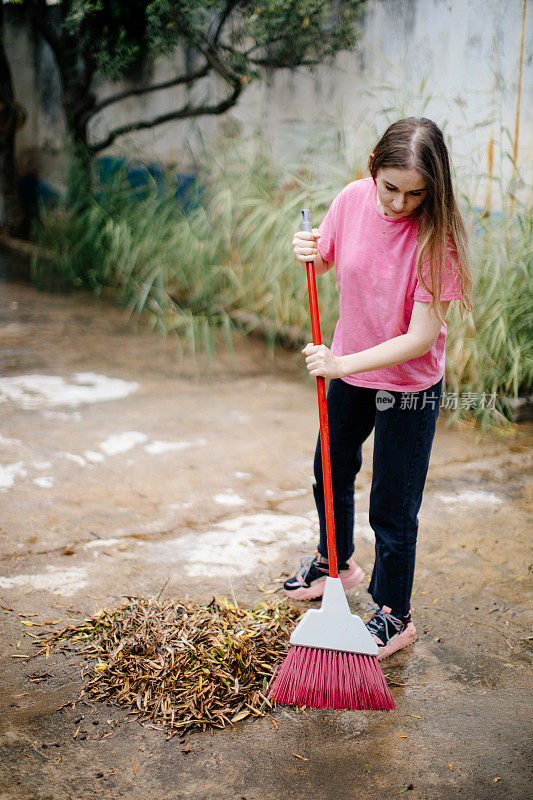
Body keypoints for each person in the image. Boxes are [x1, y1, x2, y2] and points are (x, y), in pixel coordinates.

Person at [283, 117, 473, 660]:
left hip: (406, 386)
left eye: (416, 194)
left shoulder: (437, 242)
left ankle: (395, 613)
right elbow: (326, 260)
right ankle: (335, 562)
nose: (398, 203)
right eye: (390, 188)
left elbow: (419, 340)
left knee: (393, 503)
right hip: (349, 371)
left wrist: (341, 362)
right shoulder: (351, 200)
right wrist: (307, 250)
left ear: (433, 189)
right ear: (373, 169)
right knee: (330, 469)